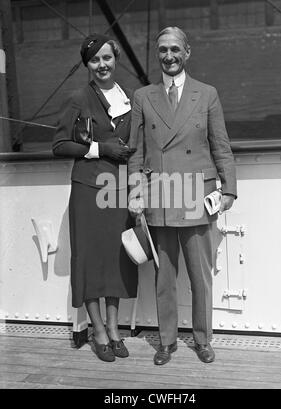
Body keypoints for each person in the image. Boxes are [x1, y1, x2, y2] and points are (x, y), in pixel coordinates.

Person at [128, 27, 237, 365]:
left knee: (200, 276)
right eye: (163, 50)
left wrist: (229, 188)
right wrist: (135, 193)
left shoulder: (207, 94)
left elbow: (220, 146)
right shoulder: (143, 97)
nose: (169, 56)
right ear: (157, 55)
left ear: (187, 52)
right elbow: (135, 152)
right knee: (164, 277)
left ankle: (203, 340)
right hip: (160, 197)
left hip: (197, 197)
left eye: (175, 49)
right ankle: (167, 342)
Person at [52, 33, 138, 362]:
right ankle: (97, 330)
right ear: (87, 64)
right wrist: (100, 148)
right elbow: (60, 145)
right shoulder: (78, 98)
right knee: (90, 260)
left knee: (116, 260)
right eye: (95, 60)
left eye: (107, 58)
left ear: (115, 60)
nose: (102, 65)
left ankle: (115, 330)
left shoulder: (127, 98)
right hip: (89, 190)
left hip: (117, 191)